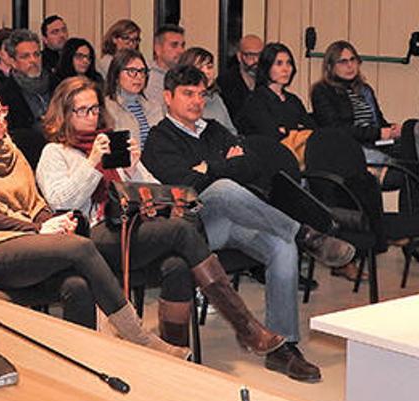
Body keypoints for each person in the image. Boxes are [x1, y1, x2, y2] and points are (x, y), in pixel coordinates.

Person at [35, 76, 285, 358]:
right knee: (181, 231)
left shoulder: (110, 146)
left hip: (129, 229)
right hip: (89, 237)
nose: (91, 117)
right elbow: (62, 200)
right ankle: (244, 324)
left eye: (94, 109)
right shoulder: (55, 152)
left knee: (177, 265)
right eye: (82, 110)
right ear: (64, 113)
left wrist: (132, 170)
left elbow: (155, 190)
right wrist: (92, 163)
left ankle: (175, 353)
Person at [0, 84, 189, 359]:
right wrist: (38, 228)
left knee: (77, 285)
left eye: (1, 112)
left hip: (25, 241)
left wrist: (58, 222)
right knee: (80, 247)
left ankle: (82, 362)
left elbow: (34, 203)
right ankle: (139, 338)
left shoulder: (10, 151)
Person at [143, 65, 358, 381]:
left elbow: (254, 166)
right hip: (194, 228)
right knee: (224, 189)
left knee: (280, 247)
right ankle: (305, 234)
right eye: (188, 94)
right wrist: (224, 166)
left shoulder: (214, 129)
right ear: (168, 97)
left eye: (201, 94)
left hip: (235, 218)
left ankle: (282, 348)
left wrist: (210, 166)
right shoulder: (159, 139)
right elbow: (186, 186)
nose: (196, 101)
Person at [311, 40, 419, 167]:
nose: (350, 65)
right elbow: (336, 130)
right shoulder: (322, 91)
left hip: (377, 143)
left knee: (412, 128)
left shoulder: (364, 89)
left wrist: (393, 130)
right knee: (408, 166)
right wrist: (378, 133)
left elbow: (379, 123)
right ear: (330, 66)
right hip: (350, 148)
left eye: (353, 60)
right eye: (343, 62)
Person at [236, 43, 314, 139]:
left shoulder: (293, 100)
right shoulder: (256, 101)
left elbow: (311, 130)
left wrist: (286, 130)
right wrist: (296, 130)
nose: (285, 69)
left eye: (289, 63)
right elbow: (271, 135)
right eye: (279, 63)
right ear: (267, 67)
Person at [103, 50, 163, 147]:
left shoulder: (154, 107)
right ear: (116, 75)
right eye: (132, 71)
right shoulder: (107, 107)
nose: (139, 77)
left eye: (142, 71)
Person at [0, 29, 54, 132]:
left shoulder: (57, 84)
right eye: (25, 56)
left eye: (36, 54)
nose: (33, 60)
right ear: (13, 61)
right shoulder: (4, 95)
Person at [178, 47, 237, 135]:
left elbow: (231, 131)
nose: (207, 72)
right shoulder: (180, 100)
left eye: (209, 67)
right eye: (200, 67)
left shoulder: (216, 99)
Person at [217, 34, 262, 119]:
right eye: (250, 55)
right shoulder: (225, 83)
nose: (256, 60)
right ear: (239, 56)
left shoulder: (267, 81)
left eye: (260, 55)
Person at [146, 24, 186, 106]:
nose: (181, 51)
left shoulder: (184, 76)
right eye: (174, 45)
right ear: (158, 49)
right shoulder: (147, 77)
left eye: (182, 45)